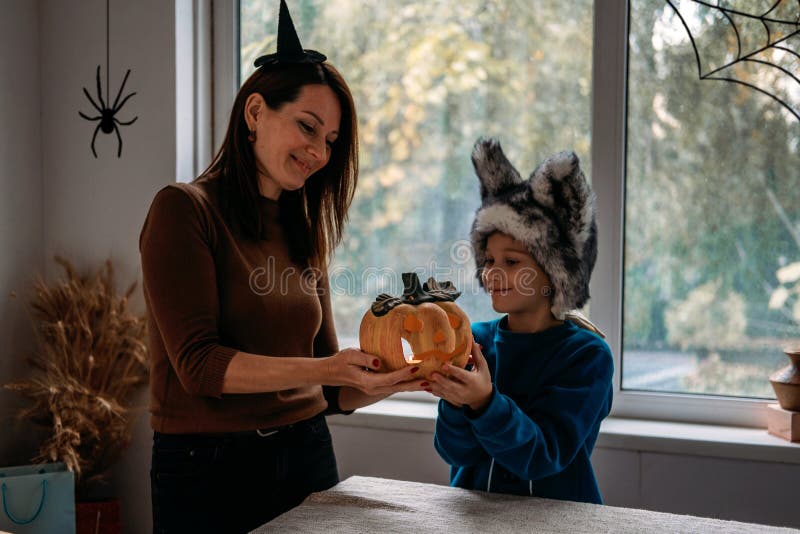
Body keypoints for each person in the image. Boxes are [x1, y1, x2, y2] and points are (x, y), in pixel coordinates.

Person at [139, 2, 423, 532]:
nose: (319, 152)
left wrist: (395, 381)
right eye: (308, 127)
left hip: (308, 450)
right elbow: (199, 368)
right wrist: (326, 371)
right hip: (207, 471)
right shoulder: (183, 211)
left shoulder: (303, 230)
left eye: (331, 142)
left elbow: (333, 388)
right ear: (254, 113)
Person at [428, 138, 613, 504]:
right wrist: (455, 400)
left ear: (555, 275)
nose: (493, 273)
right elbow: (455, 453)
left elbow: (542, 457)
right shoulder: (472, 340)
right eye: (490, 260)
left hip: (558, 524)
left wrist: (483, 403)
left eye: (512, 262)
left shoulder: (587, 357)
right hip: (475, 522)